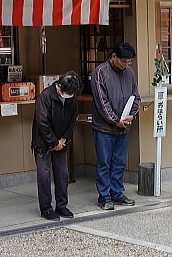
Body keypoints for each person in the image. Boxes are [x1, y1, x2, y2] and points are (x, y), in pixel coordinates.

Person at [91, 42, 141, 210]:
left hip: (124, 126)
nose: (126, 65)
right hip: (104, 128)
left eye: (129, 62)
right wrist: (115, 120)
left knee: (119, 162)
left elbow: (136, 96)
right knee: (104, 163)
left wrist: (132, 115)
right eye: (123, 61)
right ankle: (104, 196)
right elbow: (102, 103)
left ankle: (117, 193)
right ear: (113, 57)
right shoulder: (100, 73)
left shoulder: (130, 73)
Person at [31, 71, 82, 221]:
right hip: (43, 143)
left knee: (62, 175)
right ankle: (46, 209)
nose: (70, 95)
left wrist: (64, 140)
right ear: (59, 86)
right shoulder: (45, 97)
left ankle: (61, 205)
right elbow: (42, 123)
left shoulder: (72, 97)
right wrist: (54, 142)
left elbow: (73, 120)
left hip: (62, 142)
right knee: (44, 176)